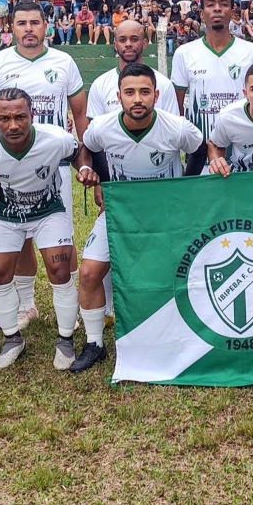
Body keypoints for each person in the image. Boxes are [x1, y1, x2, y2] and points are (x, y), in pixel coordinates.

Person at [69, 63, 203, 372]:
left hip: (165, 213)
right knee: (89, 272)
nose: (137, 99)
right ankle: (94, 343)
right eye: (130, 93)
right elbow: (88, 149)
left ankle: (182, 333)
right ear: (119, 97)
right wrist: (96, 175)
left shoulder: (177, 126)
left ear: (156, 95)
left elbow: (198, 150)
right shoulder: (103, 126)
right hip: (121, 211)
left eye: (144, 92)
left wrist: (184, 184)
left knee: (179, 273)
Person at [0, 1, 88, 329]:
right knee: (21, 232)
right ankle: (27, 305)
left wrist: (85, 158)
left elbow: (80, 114)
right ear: (10, 27)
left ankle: (69, 301)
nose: (28, 29)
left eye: (35, 23)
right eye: (21, 23)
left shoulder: (64, 61)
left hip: (53, 165)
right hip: (9, 166)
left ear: (46, 26)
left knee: (61, 235)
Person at [0, 88, 80, 370]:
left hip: (47, 211)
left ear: (33, 115)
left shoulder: (55, 139)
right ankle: (12, 339)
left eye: (20, 117)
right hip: (5, 214)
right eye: (4, 118)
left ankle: (66, 341)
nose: (13, 125)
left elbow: (78, 153)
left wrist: (89, 175)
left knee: (60, 268)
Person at [170, 0, 253, 173]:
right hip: (200, 154)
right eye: (211, 4)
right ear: (202, 12)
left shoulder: (252, 52)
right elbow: (177, 106)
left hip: (242, 151)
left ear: (232, 11)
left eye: (223, 4)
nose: (217, 9)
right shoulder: (184, 53)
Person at [87, 20, 179, 119]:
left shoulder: (164, 84)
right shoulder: (99, 85)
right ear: (115, 45)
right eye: (122, 40)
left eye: (134, 39)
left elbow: (172, 128)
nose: (128, 44)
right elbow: (94, 130)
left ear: (145, 43)